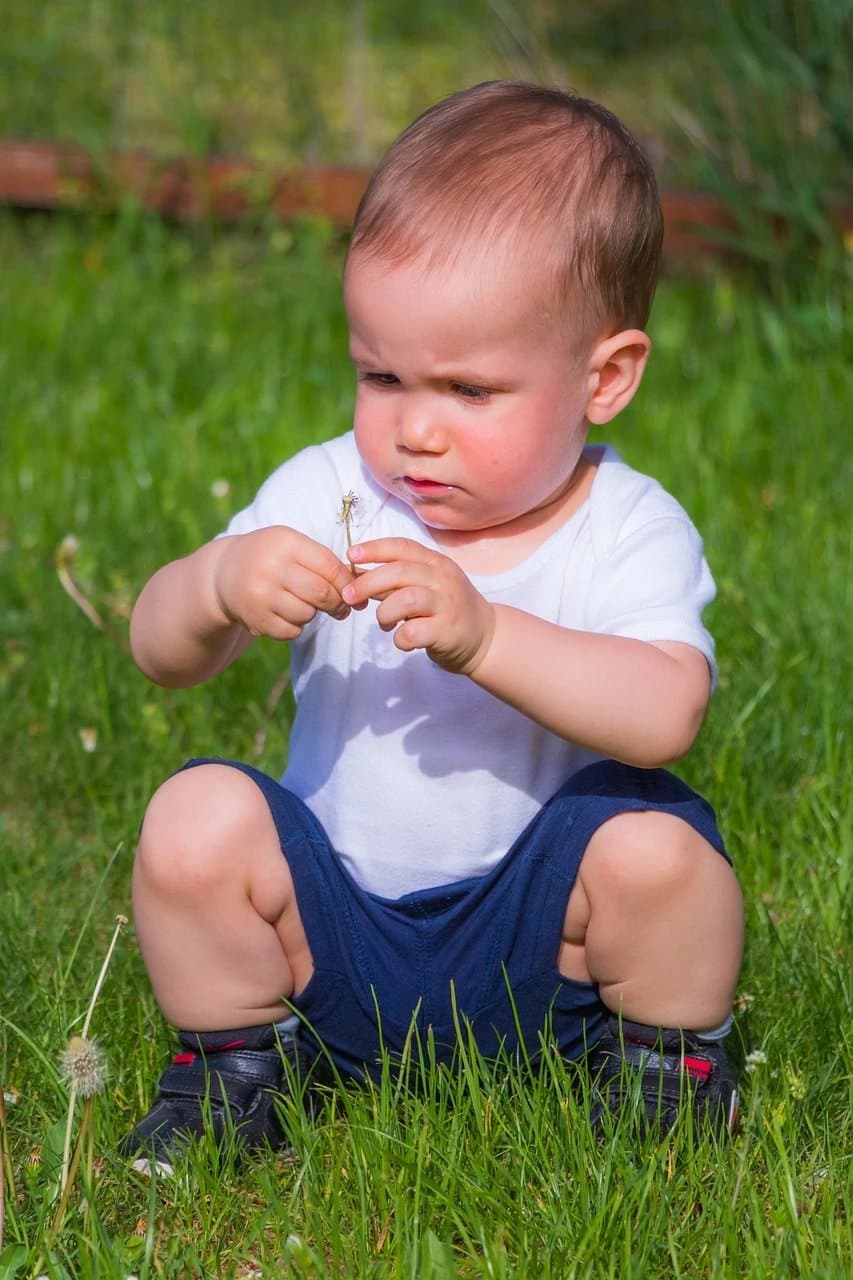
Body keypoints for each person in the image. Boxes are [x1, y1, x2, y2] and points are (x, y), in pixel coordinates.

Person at [122, 81, 744, 1170]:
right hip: (336, 939)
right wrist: (219, 581)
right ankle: (236, 1065)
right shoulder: (330, 487)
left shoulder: (625, 523)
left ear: (603, 377)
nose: (414, 426)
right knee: (194, 814)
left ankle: (662, 1066)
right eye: (381, 374)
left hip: (546, 957)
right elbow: (157, 652)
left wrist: (487, 635)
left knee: (658, 847)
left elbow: (665, 712)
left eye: (468, 387)